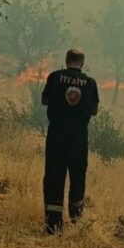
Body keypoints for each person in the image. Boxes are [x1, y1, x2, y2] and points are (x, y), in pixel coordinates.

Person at [41, 48, 100, 234]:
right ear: (82, 64)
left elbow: (45, 100)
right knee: (77, 177)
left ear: (66, 60)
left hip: (56, 136)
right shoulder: (90, 83)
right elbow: (94, 110)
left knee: (54, 178)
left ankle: (54, 225)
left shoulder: (54, 77)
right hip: (78, 138)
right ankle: (76, 221)